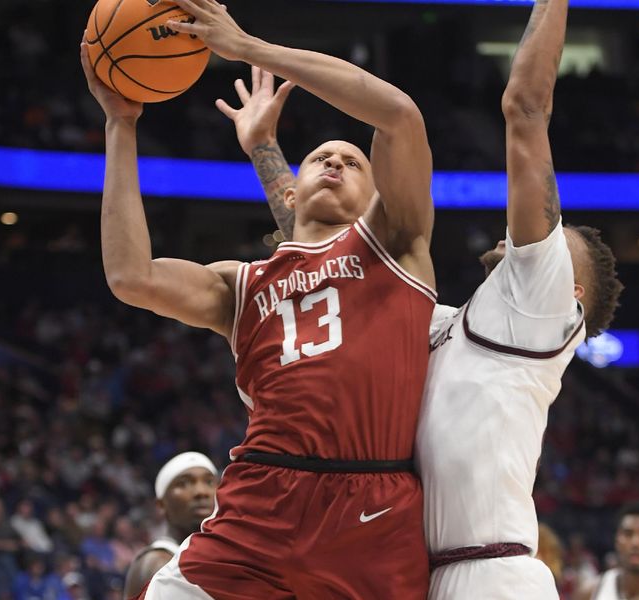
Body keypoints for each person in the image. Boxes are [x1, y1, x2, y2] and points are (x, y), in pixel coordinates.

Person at [238, 1, 623, 598]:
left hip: (495, 573)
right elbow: (323, 267)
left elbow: (524, 107)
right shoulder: (455, 327)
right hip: (423, 573)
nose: (522, 241)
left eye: (554, 245)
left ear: (570, 296)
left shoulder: (540, 312)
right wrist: (265, 151)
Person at [80, 0, 437, 597]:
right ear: (292, 190)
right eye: (321, 156)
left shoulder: (395, 244)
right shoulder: (241, 284)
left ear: (378, 192)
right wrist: (121, 124)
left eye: (352, 161)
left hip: (369, 507)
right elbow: (129, 276)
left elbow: (399, 114)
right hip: (259, 498)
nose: (334, 161)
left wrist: (246, 47)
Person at [123, 453, 218, 600]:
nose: (201, 492)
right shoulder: (156, 563)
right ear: (161, 505)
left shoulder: (219, 556)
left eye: (209, 482)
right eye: (183, 484)